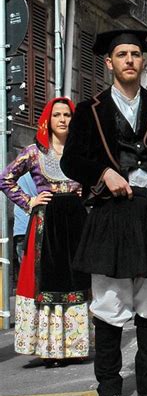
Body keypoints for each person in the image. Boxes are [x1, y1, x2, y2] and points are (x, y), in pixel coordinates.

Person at [61, 28, 147, 396]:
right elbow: (72, 160)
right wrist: (104, 173)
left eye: (135, 54)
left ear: (143, 61)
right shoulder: (89, 111)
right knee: (110, 299)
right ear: (109, 63)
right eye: (122, 55)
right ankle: (108, 383)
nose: (129, 60)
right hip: (112, 212)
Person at [0, 98, 92, 367]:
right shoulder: (33, 152)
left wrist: (84, 192)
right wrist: (30, 202)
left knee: (78, 280)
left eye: (67, 115)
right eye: (57, 115)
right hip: (46, 225)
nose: (63, 120)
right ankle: (51, 348)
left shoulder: (81, 151)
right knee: (48, 283)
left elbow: (97, 181)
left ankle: (76, 345)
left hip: (75, 222)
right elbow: (5, 178)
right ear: (47, 121)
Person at [12, 173, 37, 276]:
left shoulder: (23, 167)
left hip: (22, 228)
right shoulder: (39, 166)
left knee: (27, 275)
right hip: (33, 227)